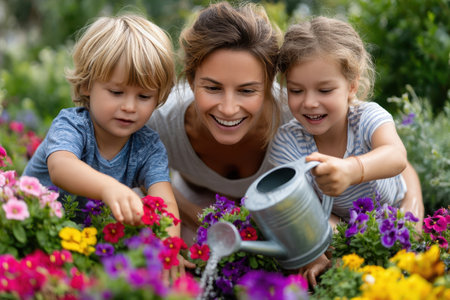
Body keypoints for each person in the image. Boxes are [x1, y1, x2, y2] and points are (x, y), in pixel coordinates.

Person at [22, 14, 195, 279]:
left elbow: (164, 203)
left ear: (158, 97)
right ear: (87, 85)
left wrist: (168, 250)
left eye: (144, 96)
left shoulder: (148, 147)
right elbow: (60, 166)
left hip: (85, 245)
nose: (129, 106)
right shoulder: (72, 125)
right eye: (116, 92)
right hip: (33, 231)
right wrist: (108, 187)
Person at [271, 16, 424, 286]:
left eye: (325, 89)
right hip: (338, 230)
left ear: (352, 86)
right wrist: (318, 253)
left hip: (399, 220)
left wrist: (352, 169)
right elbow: (300, 214)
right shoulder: (287, 143)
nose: (309, 102)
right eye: (296, 90)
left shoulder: (367, 117)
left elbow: (397, 156)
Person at [147, 1, 292, 246]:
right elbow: (125, 170)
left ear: (268, 86)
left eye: (246, 91)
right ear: (191, 81)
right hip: (193, 202)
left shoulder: (294, 117)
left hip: (278, 212)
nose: (228, 108)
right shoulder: (161, 120)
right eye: (213, 88)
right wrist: (192, 215)